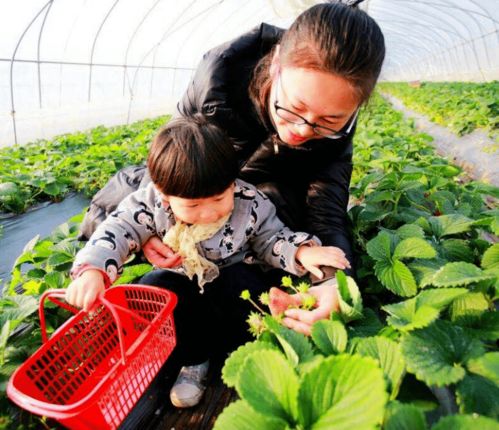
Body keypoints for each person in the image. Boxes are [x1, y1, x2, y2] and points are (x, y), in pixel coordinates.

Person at [78, 0, 384, 365]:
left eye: (327, 120)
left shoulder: (267, 196)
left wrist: (332, 280)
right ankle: (190, 356)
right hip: (195, 204)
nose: (303, 129)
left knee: (262, 265)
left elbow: (324, 212)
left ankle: (236, 331)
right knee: (126, 211)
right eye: (294, 107)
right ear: (275, 66)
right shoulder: (217, 83)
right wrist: (153, 232)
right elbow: (172, 171)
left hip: (253, 218)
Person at [66, 115, 351, 407]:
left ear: (232, 182)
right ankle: (195, 361)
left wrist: (300, 251)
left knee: (243, 282)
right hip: (184, 282)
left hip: (231, 283)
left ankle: (248, 350)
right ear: (165, 195)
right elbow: (116, 229)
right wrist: (94, 269)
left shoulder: (249, 201)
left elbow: (271, 238)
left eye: (219, 198)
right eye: (192, 206)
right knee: (156, 285)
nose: (209, 213)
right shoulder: (149, 203)